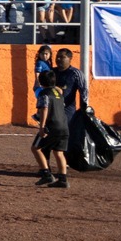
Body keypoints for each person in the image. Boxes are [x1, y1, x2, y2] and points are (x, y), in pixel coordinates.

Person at [31, 51, 78, 189]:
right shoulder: (59, 92)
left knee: (35, 148)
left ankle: (46, 174)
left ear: (41, 82)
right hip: (64, 126)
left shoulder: (44, 93)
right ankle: (62, 179)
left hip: (52, 126)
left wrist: (42, 126)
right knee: (58, 152)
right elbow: (58, 90)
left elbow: (44, 108)